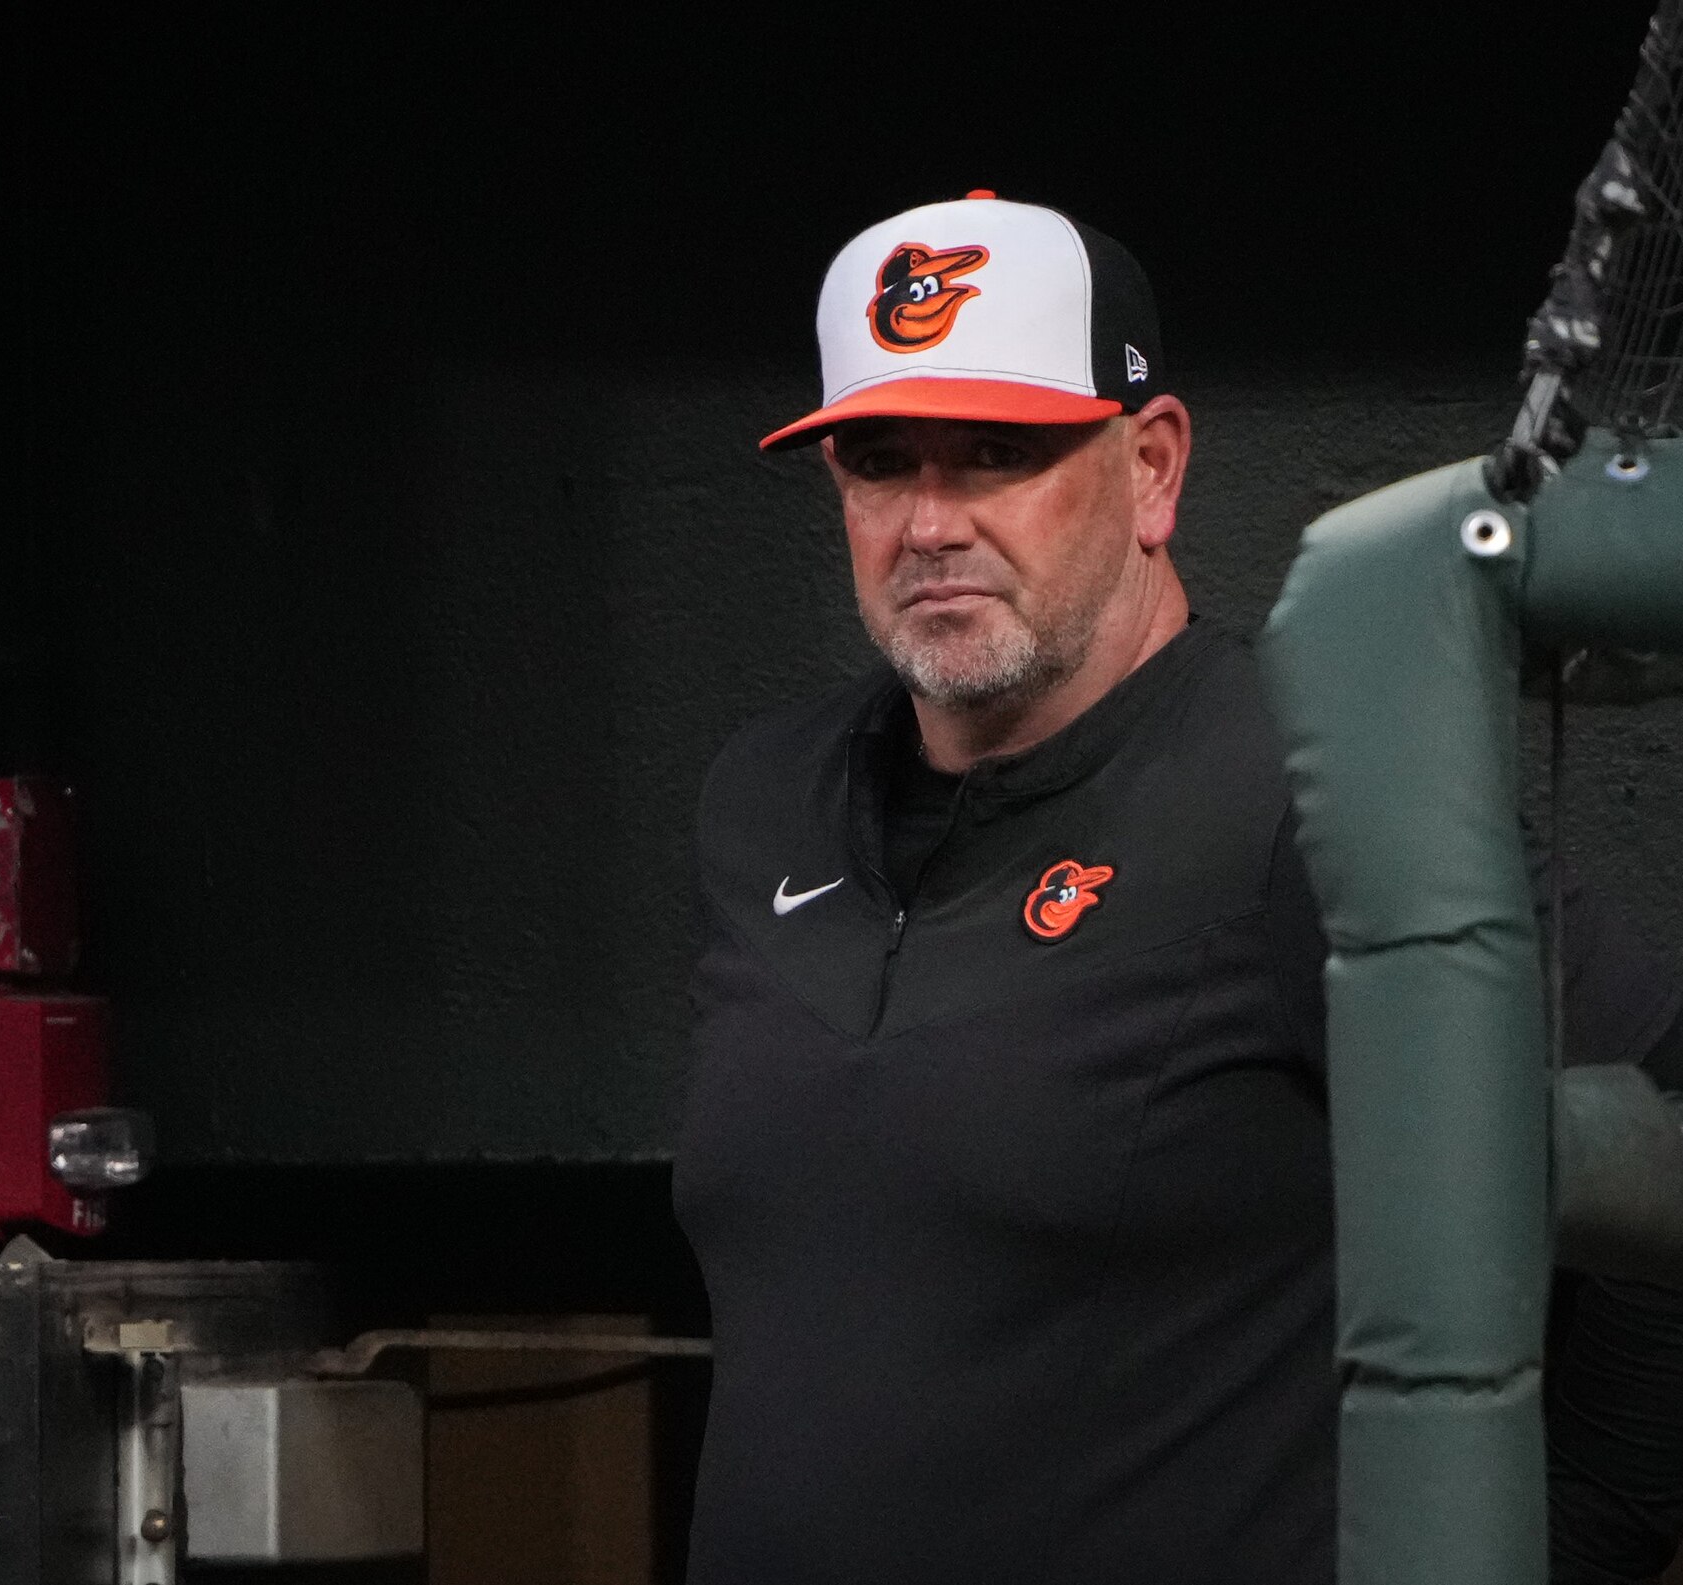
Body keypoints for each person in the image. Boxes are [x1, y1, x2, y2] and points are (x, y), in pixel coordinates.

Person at [671, 190, 1683, 1584]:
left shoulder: (1305, 785)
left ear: (1149, 469)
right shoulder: (761, 799)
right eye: (877, 460)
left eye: (996, 455)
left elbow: (1663, 1117)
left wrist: (1569, 1535)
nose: (926, 521)